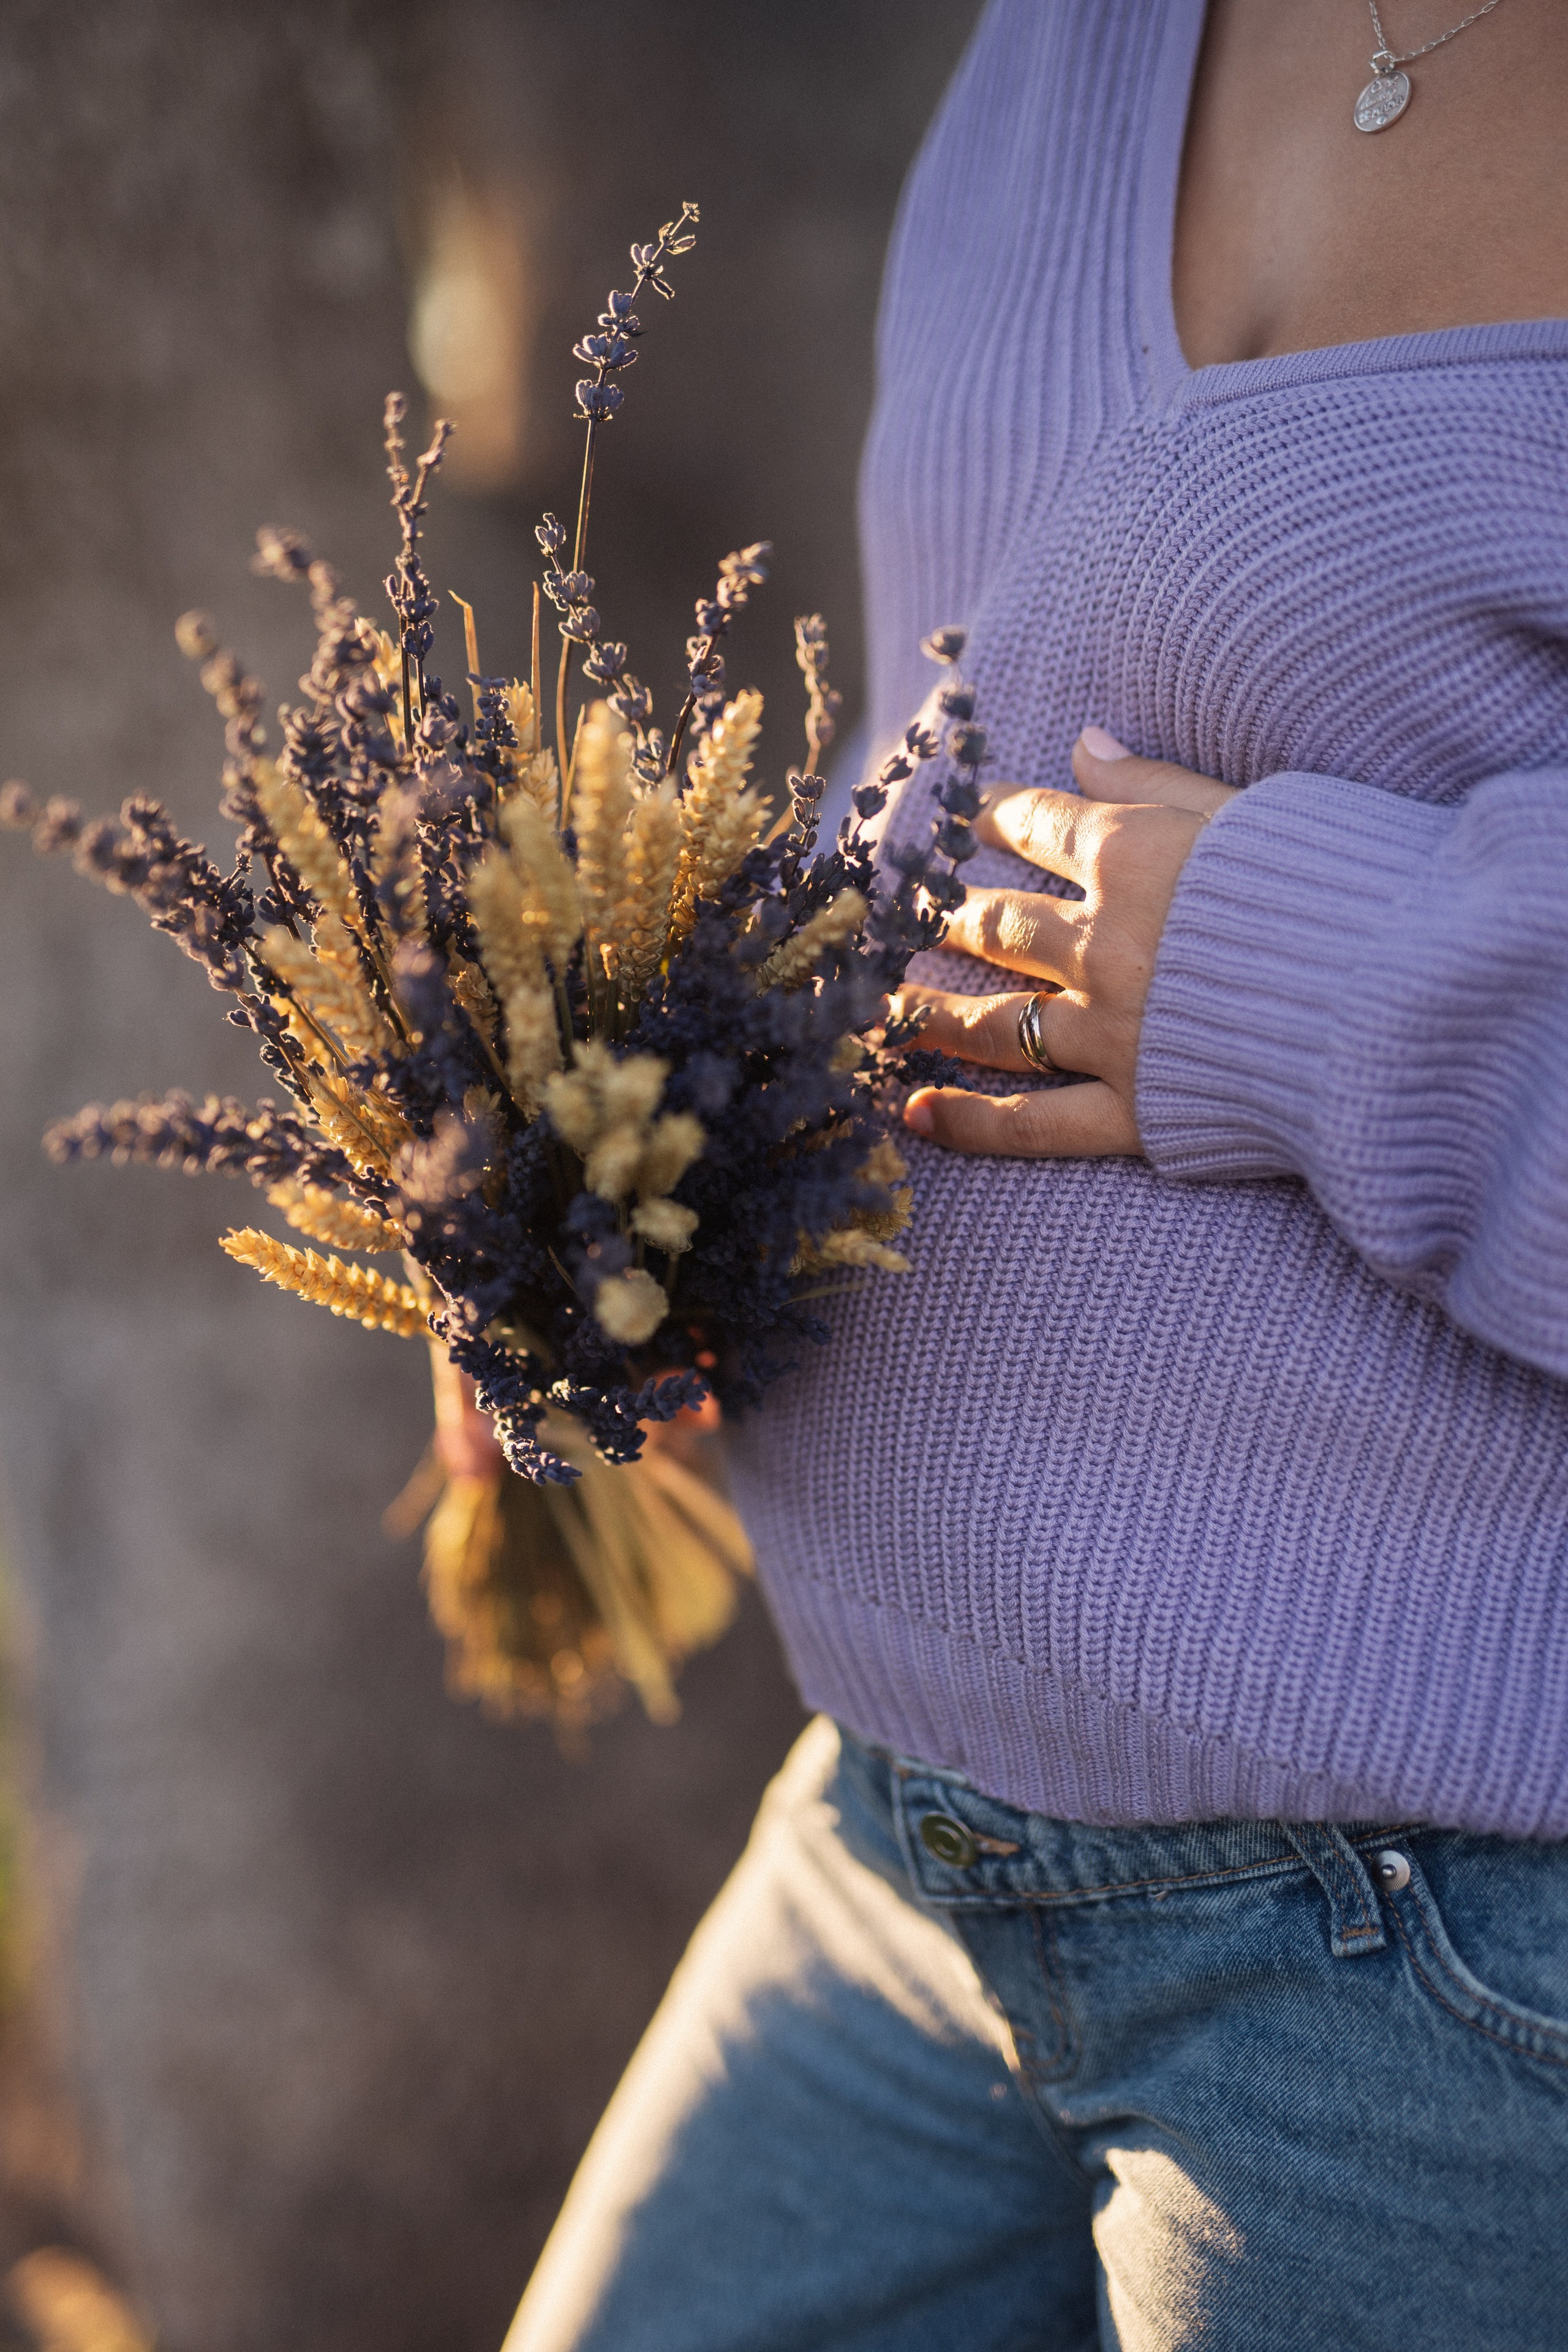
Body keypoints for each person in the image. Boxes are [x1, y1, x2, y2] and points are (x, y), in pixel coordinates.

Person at [505, 3, 1568, 2343]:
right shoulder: (1080, 40)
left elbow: (1195, 895)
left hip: (1441, 1963)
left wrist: (1328, 973)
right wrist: (627, 1140)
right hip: (905, 1826)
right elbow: (978, 722)